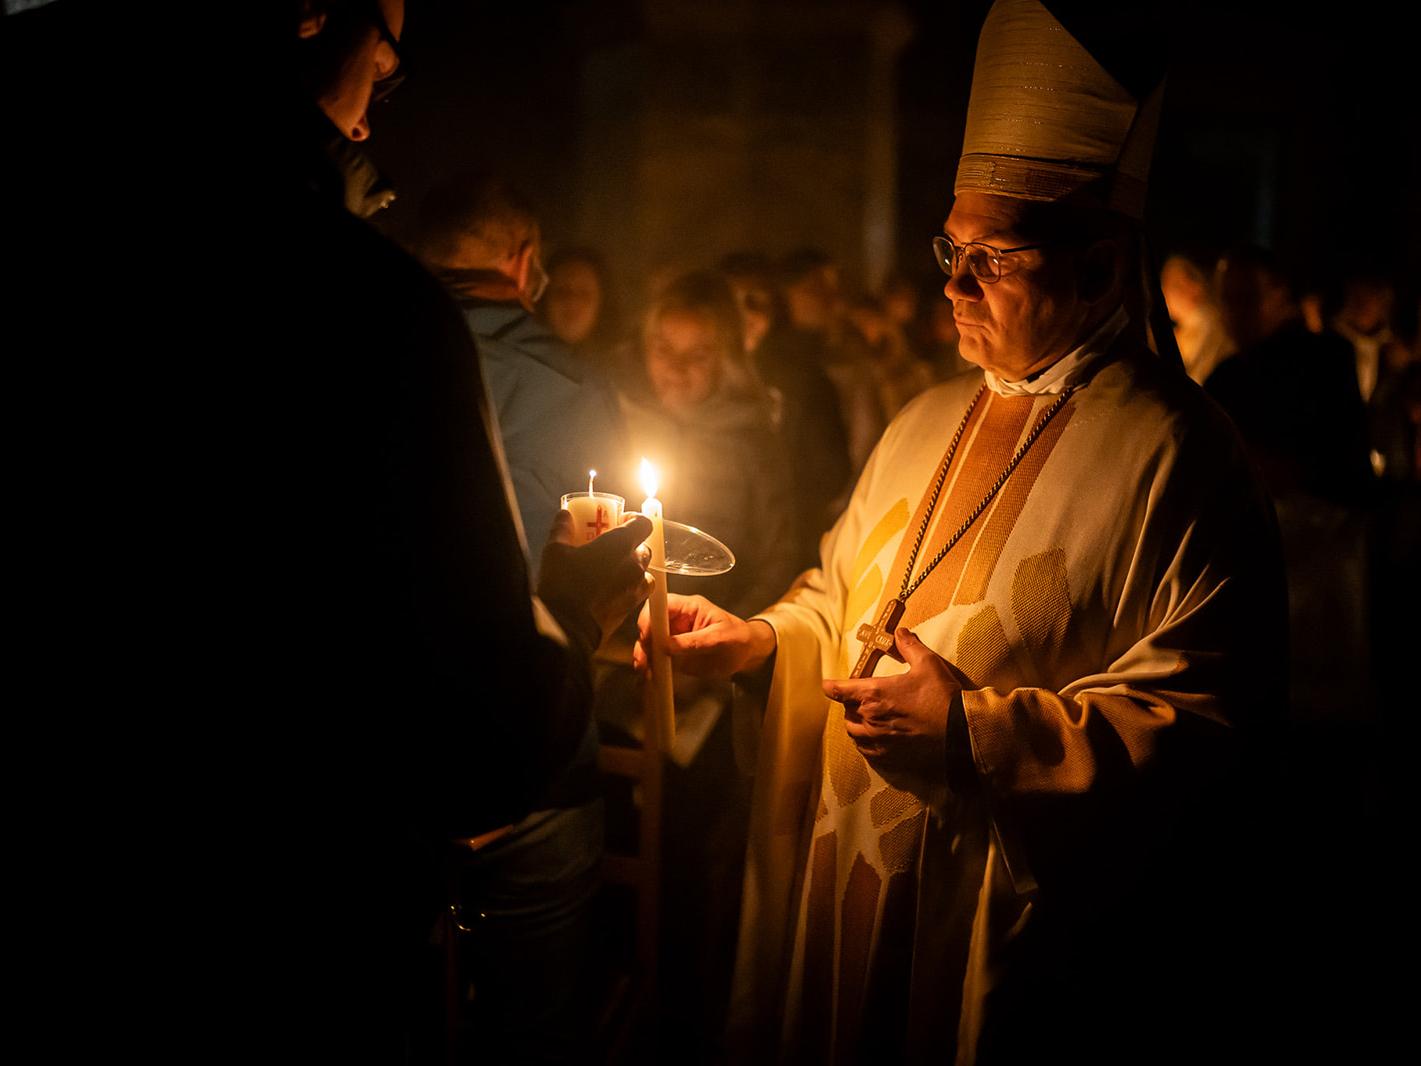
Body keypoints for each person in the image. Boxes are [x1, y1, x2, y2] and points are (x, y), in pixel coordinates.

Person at [638, 3, 1285, 1062]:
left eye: (991, 256)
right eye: (949, 246)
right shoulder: (922, 419)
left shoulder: (1182, 460)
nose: (950, 280)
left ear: (1096, 269)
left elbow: (1206, 736)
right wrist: (762, 643)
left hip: (1002, 937)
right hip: (848, 892)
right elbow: (840, 595)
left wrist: (971, 736)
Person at [263, 5, 652, 1060]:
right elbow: (508, 681)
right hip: (442, 779)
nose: (389, 68)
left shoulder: (366, 306)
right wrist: (574, 607)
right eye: (378, 32)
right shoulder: (379, 318)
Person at [408, 171, 634, 570]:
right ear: (524, 259)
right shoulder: (577, 390)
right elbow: (614, 545)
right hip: (528, 626)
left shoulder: (365, 351)